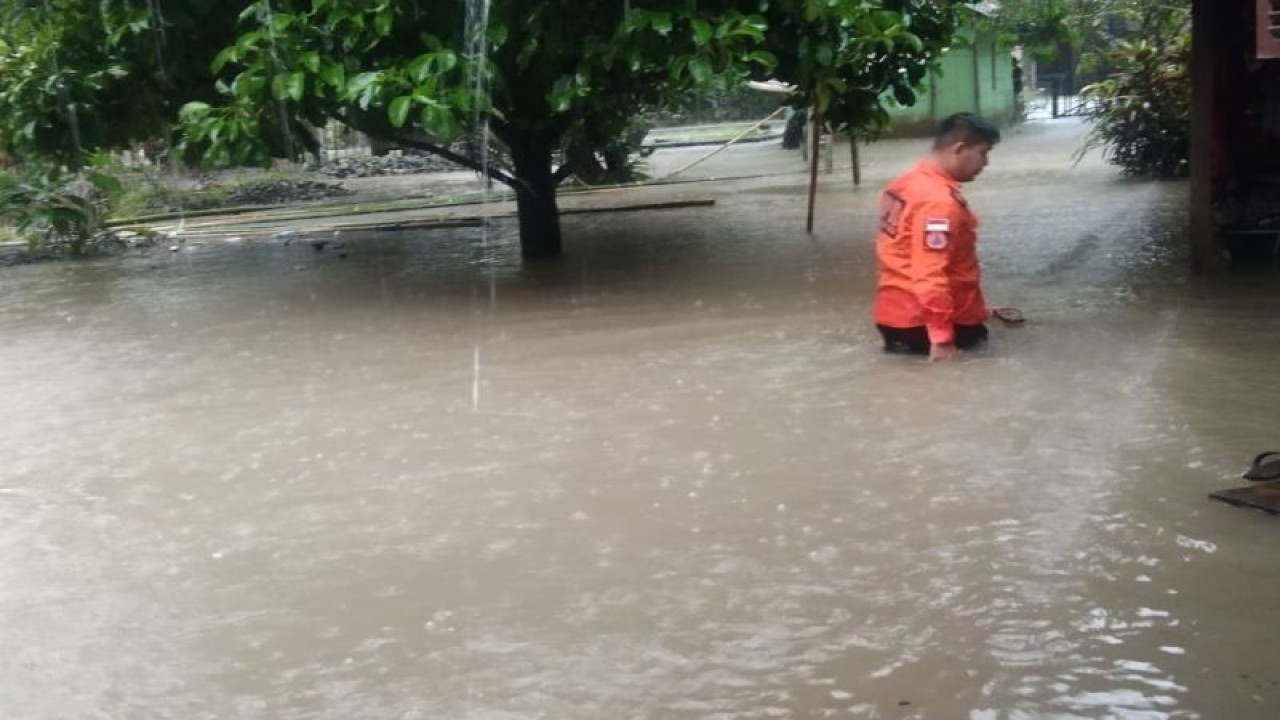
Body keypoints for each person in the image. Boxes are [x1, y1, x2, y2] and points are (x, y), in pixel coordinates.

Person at [873, 113, 1001, 362]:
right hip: (924, 324)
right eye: (983, 153)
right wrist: (942, 338)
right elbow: (929, 272)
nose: (986, 163)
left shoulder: (907, 182)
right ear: (960, 149)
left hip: (892, 315)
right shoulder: (938, 202)